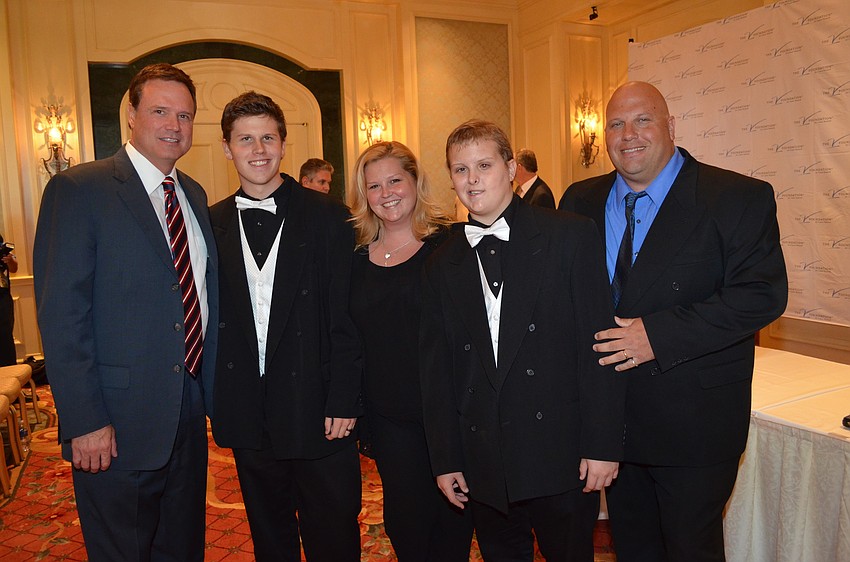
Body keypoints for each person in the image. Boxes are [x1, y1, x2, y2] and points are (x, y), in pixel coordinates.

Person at [559, 81, 787, 562]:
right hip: (612, 423)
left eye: (643, 120)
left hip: (693, 425)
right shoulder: (579, 201)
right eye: (616, 124)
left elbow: (760, 295)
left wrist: (657, 336)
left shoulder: (737, 197)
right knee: (633, 547)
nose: (628, 134)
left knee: (689, 549)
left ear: (671, 126)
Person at [33, 63, 218, 561]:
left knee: (183, 549)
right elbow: (62, 316)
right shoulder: (81, 190)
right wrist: (84, 420)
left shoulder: (194, 194)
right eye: (160, 111)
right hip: (113, 424)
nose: (174, 125)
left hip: (187, 414)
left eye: (185, 115)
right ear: (131, 115)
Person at [420, 119, 624, 561]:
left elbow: (599, 348)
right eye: (460, 169)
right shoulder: (441, 263)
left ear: (511, 168)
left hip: (560, 452)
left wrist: (602, 444)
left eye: (484, 165)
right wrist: (446, 458)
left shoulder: (569, 235)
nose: (472, 180)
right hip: (485, 459)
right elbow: (438, 373)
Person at [209, 91, 362, 562]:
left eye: (268, 138)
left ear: (283, 143)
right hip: (250, 413)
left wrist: (344, 397)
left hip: (320, 409)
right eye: (245, 139)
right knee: (270, 539)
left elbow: (347, 317)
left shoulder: (330, 216)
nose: (258, 150)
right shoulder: (209, 223)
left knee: (333, 537)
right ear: (227, 148)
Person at [347, 141, 473, 561]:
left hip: (447, 416)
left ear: (415, 182)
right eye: (374, 186)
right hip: (387, 418)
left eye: (395, 181)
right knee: (405, 525)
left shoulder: (451, 246)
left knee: (451, 525)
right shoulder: (355, 257)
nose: (386, 194)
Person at [0, 235, 18, 366]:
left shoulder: (2, 247)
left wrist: (9, 260)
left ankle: (9, 370)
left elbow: (14, 268)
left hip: (3, 296)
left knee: (5, 335)